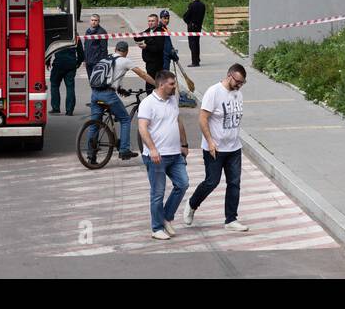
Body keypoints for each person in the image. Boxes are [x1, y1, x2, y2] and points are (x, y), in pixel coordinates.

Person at [185, 64, 248, 232]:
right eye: (237, 81)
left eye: (242, 83)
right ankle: (192, 204)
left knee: (234, 183)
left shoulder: (238, 94)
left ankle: (231, 219)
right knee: (212, 181)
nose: (239, 85)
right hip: (215, 148)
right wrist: (210, 141)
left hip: (234, 148)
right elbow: (203, 118)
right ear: (229, 76)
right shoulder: (214, 92)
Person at [138, 70, 189, 240]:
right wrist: (152, 149)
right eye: (172, 84)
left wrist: (184, 143)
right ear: (161, 85)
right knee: (157, 192)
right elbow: (142, 128)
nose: (175, 87)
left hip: (175, 154)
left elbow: (178, 121)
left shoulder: (173, 100)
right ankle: (157, 228)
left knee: (183, 184)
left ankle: (166, 217)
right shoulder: (148, 103)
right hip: (157, 156)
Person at [87, 40, 151, 161]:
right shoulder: (125, 60)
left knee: (95, 124)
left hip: (95, 94)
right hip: (108, 95)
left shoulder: (106, 59)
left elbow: (110, 78)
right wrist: (157, 84)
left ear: (115, 49)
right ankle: (124, 150)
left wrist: (121, 90)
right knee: (125, 119)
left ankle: (91, 155)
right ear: (126, 51)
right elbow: (142, 74)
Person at [47, 38, 84, 116]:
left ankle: (55, 108)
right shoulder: (75, 35)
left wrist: (48, 61)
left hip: (58, 64)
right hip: (71, 64)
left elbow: (50, 48)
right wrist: (79, 62)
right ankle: (69, 110)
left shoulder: (57, 34)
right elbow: (80, 51)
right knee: (70, 87)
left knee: (54, 85)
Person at [136, 13, 167, 78]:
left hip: (156, 62)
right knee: (150, 80)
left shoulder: (159, 32)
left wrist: (146, 47)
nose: (150, 23)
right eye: (149, 21)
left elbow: (159, 48)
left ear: (157, 22)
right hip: (149, 61)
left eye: (152, 21)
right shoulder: (149, 30)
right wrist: (135, 35)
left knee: (152, 82)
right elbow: (138, 38)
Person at [183, 0, 205, 67]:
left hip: (191, 27)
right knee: (197, 43)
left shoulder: (191, 5)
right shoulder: (202, 5)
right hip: (198, 26)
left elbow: (185, 16)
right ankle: (197, 59)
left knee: (192, 44)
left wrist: (188, 22)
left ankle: (195, 62)